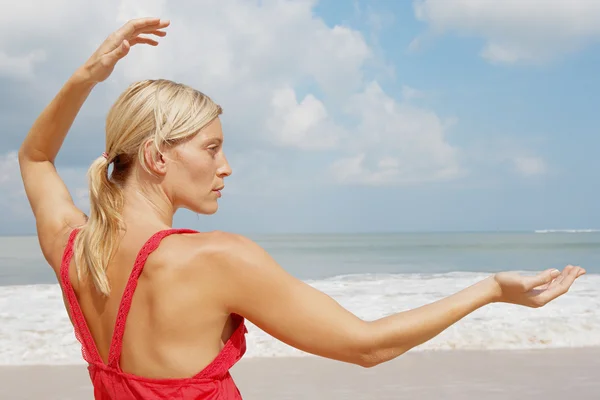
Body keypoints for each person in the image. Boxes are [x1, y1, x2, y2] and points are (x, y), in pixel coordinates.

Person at [18, 17, 585, 400]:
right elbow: (368, 346)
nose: (226, 166)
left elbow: (35, 158)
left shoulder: (71, 249)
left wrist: (86, 76)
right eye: (212, 147)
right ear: (155, 156)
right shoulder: (217, 259)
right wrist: (489, 290)